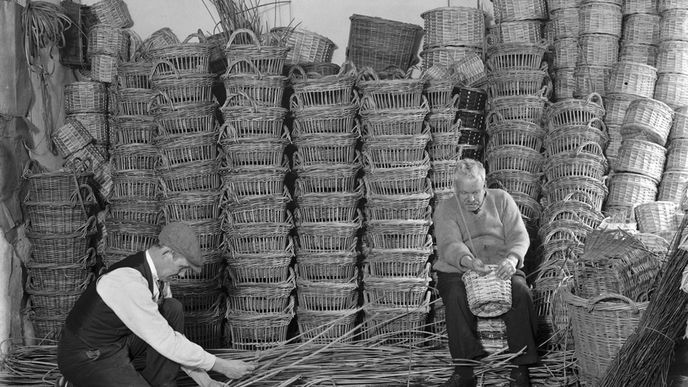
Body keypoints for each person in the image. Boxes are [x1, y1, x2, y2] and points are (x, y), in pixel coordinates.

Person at [57, 222, 255, 387]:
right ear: (168, 253)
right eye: (183, 267)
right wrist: (220, 365)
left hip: (118, 343)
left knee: (171, 308)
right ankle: (79, 380)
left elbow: (171, 336)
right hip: (88, 355)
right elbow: (166, 342)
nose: (183, 274)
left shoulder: (158, 279)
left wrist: (206, 382)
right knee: (165, 324)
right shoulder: (128, 281)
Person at [433, 159, 537, 387]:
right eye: (464, 193)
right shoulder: (446, 208)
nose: (470, 199)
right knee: (456, 295)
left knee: (520, 292)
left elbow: (519, 236)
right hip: (460, 268)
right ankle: (464, 370)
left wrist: (512, 259)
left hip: (501, 265)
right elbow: (449, 244)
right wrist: (468, 261)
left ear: (485, 186)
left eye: (476, 192)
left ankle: (520, 368)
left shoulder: (502, 200)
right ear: (455, 189)